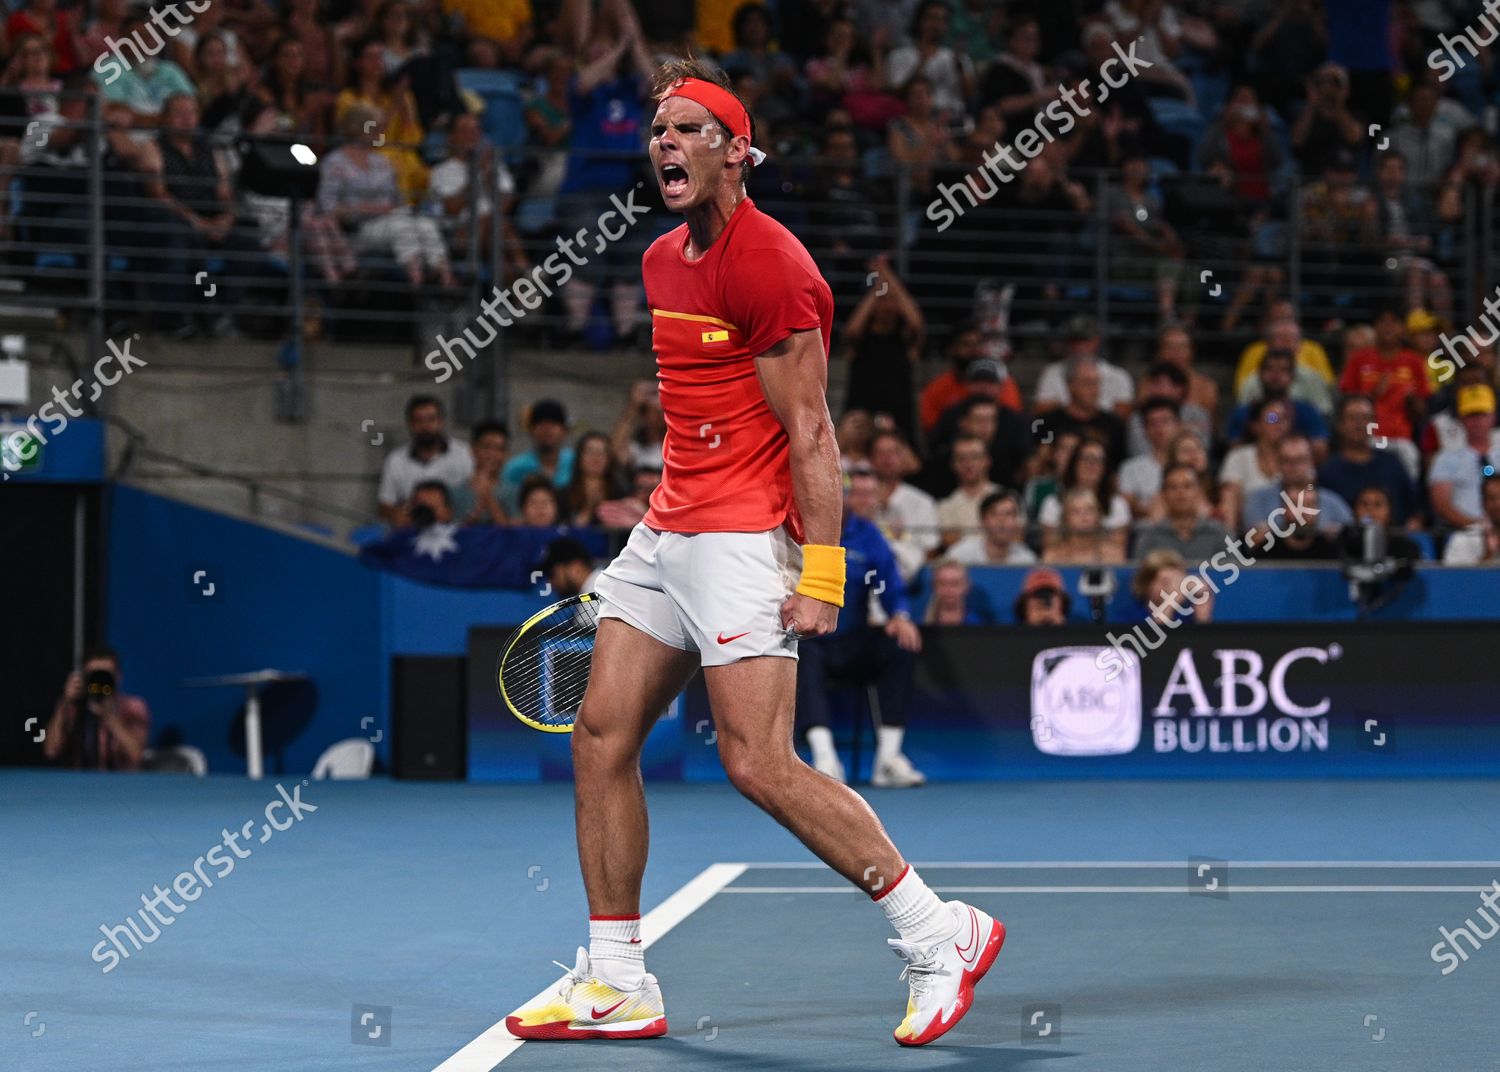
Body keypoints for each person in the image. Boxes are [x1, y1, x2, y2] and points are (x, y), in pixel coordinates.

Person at [507, 58, 1005, 1050]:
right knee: (601, 736)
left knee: (758, 763)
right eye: (658, 131)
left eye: (688, 129)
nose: (666, 144)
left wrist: (820, 572)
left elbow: (814, 435)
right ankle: (616, 979)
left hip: (745, 538)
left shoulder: (776, 266)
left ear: (736, 150)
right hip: (668, 528)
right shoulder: (658, 261)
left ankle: (938, 932)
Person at [798, 468, 925, 787]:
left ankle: (888, 759)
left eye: (840, 494)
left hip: (852, 640)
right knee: (803, 653)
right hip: (809, 639)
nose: (834, 500)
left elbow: (887, 583)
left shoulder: (867, 535)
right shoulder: (797, 530)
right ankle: (825, 760)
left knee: (899, 646)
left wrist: (899, 614)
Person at [1339, 306, 1430, 473]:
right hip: (1368, 437)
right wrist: (1373, 395)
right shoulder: (1359, 359)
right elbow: (1347, 402)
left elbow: (1422, 411)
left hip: (1401, 439)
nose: (1388, 327)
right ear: (1375, 328)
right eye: (1382, 322)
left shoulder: (1414, 362)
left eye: (1394, 322)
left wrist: (1412, 400)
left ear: (1403, 329)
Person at [1318, 396, 1421, 527]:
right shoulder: (1328, 472)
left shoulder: (1392, 464)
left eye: (1365, 418)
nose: (1359, 424)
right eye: (1352, 418)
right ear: (1340, 424)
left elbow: (1415, 511)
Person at [42, 645, 149, 770]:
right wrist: (65, 701)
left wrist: (109, 718)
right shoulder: (72, 708)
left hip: (121, 784)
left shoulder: (133, 708)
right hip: (77, 784)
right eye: (94, 676)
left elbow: (136, 756)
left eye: (106, 676)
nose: (100, 682)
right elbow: (51, 751)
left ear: (118, 677)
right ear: (84, 679)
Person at [377, 396, 473, 525]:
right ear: (410, 424)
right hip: (411, 530)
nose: (425, 426)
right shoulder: (396, 460)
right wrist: (396, 514)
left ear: (441, 422)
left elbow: (475, 495)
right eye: (418, 421)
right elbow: (384, 505)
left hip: (455, 530)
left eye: (431, 419)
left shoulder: (464, 454)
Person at [1242, 433, 1353, 538]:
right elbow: (1253, 539)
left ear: (1311, 461)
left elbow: (1350, 535)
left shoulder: (1333, 503)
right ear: (1277, 462)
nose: (1293, 466)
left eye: (1300, 460)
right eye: (1286, 460)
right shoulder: (1258, 499)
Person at [1226, 348, 1330, 455]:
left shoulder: (1307, 411)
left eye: (1283, 370)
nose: (1276, 375)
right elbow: (1235, 450)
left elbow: (1320, 449)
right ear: (1260, 374)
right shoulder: (1244, 413)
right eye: (1270, 369)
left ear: (1292, 377)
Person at [870, 428, 941, 579]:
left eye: (893, 452)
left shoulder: (922, 501)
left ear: (903, 457)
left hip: (909, 577)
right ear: (872, 459)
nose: (887, 458)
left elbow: (931, 548)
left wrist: (904, 538)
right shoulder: (857, 499)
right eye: (881, 453)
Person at [1428, 384, 1500, 531]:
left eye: (1482, 413)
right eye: (1471, 415)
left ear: (1493, 416)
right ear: (1461, 419)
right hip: (1464, 533)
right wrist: (1475, 526)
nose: (1477, 421)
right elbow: (1441, 504)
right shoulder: (1446, 459)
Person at [1218, 396, 1291, 530]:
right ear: (1256, 426)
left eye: (1285, 419)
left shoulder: (1297, 457)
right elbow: (1229, 504)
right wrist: (1230, 543)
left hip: (1289, 535)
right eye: (1272, 418)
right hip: (1248, 535)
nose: (1280, 424)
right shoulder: (1239, 457)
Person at [1132, 464, 1230, 563]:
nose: (1180, 492)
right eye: (1173, 487)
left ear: (1199, 492)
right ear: (1163, 495)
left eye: (1187, 486)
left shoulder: (1220, 534)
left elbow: (1237, 574)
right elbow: (1141, 576)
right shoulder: (1149, 536)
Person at [501, 399, 576, 513]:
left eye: (553, 425)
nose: (547, 430)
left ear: (565, 431)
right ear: (531, 431)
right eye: (541, 425)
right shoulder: (515, 467)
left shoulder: (576, 462)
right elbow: (509, 507)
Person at [1120, 398, 1181, 520]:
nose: (1159, 428)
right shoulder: (1130, 468)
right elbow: (1126, 505)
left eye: (1165, 421)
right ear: (1145, 430)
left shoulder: (1190, 463)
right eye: (1153, 423)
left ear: (1178, 425)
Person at [935, 435, 999, 546]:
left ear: (987, 461)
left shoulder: (1009, 498)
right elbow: (952, 544)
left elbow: (1016, 539)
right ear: (953, 465)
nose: (968, 463)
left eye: (975, 457)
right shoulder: (945, 506)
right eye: (961, 458)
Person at [949, 489, 1037, 566]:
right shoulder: (959, 556)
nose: (1002, 521)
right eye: (995, 514)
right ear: (982, 522)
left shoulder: (1027, 560)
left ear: (1016, 522)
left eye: (1008, 514)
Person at [1043, 489, 1124, 565]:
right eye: (1076, 511)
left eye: (1090, 510)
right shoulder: (1052, 555)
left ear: (1098, 516)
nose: (1084, 516)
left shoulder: (1113, 554)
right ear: (1065, 519)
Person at [451, 421, 509, 526]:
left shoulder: (515, 492)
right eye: (486, 447)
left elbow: (514, 535)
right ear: (473, 450)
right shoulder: (455, 493)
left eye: (499, 449)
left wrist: (487, 495)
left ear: (506, 454)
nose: (492, 454)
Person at [563, 431, 627, 527]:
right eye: (590, 451)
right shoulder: (564, 494)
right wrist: (590, 507)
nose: (596, 457)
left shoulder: (620, 493)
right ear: (579, 457)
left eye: (601, 452)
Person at [1443, 475, 1500, 565]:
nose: (1498, 504)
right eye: (1492, 498)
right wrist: (1487, 556)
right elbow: (1453, 577)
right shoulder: (1463, 538)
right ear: (1483, 503)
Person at [922, 558, 988, 625]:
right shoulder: (918, 625)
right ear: (933, 586)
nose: (948, 589)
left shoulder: (978, 623)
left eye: (955, 584)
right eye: (942, 583)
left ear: (967, 586)